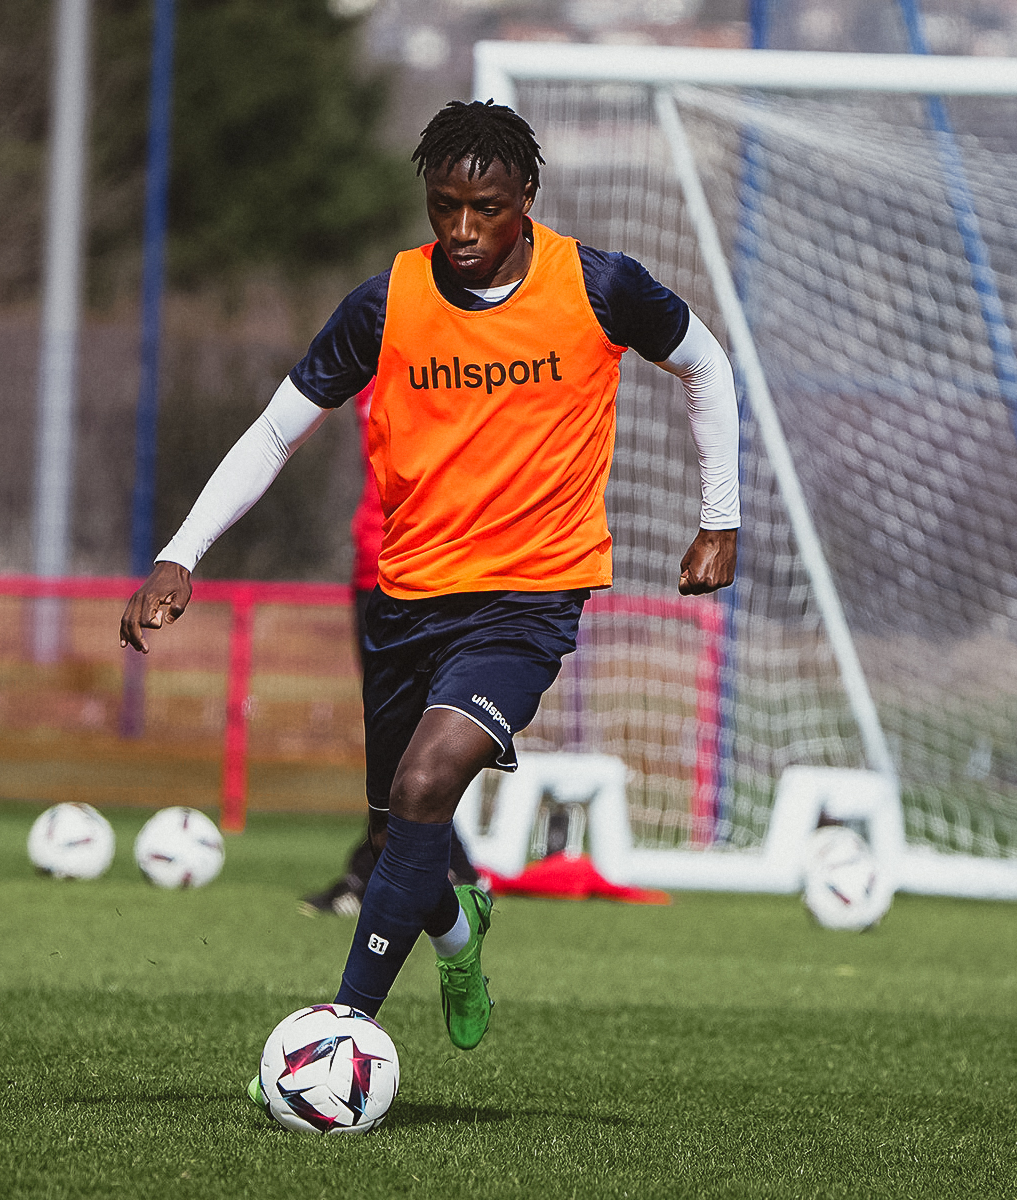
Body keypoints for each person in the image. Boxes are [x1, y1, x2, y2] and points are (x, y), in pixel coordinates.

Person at [120, 100, 739, 1077]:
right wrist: (180, 553)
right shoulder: (386, 303)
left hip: (530, 598)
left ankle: (343, 1030)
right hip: (406, 600)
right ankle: (458, 934)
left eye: (484, 208)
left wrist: (720, 520)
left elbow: (705, 365)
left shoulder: (599, 286)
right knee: (398, 829)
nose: (460, 228)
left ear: (526, 198)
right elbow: (277, 431)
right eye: (443, 205)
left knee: (421, 787)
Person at [299, 377, 482, 917]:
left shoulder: (464, 352)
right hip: (374, 567)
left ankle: (423, 869)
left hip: (447, 568)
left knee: (431, 731)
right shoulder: (370, 353)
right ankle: (422, 868)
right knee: (390, 733)